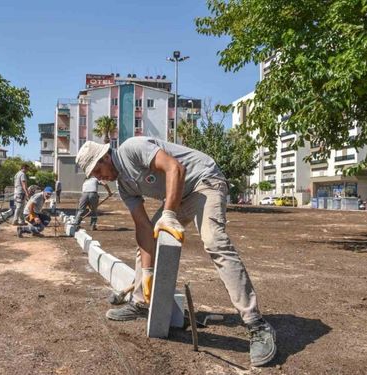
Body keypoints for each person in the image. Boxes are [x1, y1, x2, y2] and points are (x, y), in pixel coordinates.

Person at [75, 137, 277, 367]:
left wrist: (168, 214)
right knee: (148, 240)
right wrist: (148, 271)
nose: (99, 178)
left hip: (204, 181)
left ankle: (257, 324)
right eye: (94, 176)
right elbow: (142, 227)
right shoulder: (124, 187)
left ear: (106, 156)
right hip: (180, 194)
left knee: (214, 241)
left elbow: (175, 168)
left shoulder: (132, 149)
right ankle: (141, 302)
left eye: (98, 170)